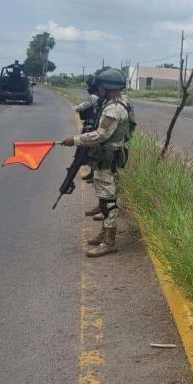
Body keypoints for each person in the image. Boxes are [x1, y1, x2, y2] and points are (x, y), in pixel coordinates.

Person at [61, 68, 135, 258]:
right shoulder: (122, 102)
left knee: (108, 200)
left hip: (107, 156)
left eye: (100, 87)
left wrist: (75, 140)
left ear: (106, 88)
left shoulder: (112, 109)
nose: (98, 90)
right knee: (105, 197)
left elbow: (101, 135)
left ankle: (108, 241)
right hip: (113, 155)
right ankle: (105, 233)